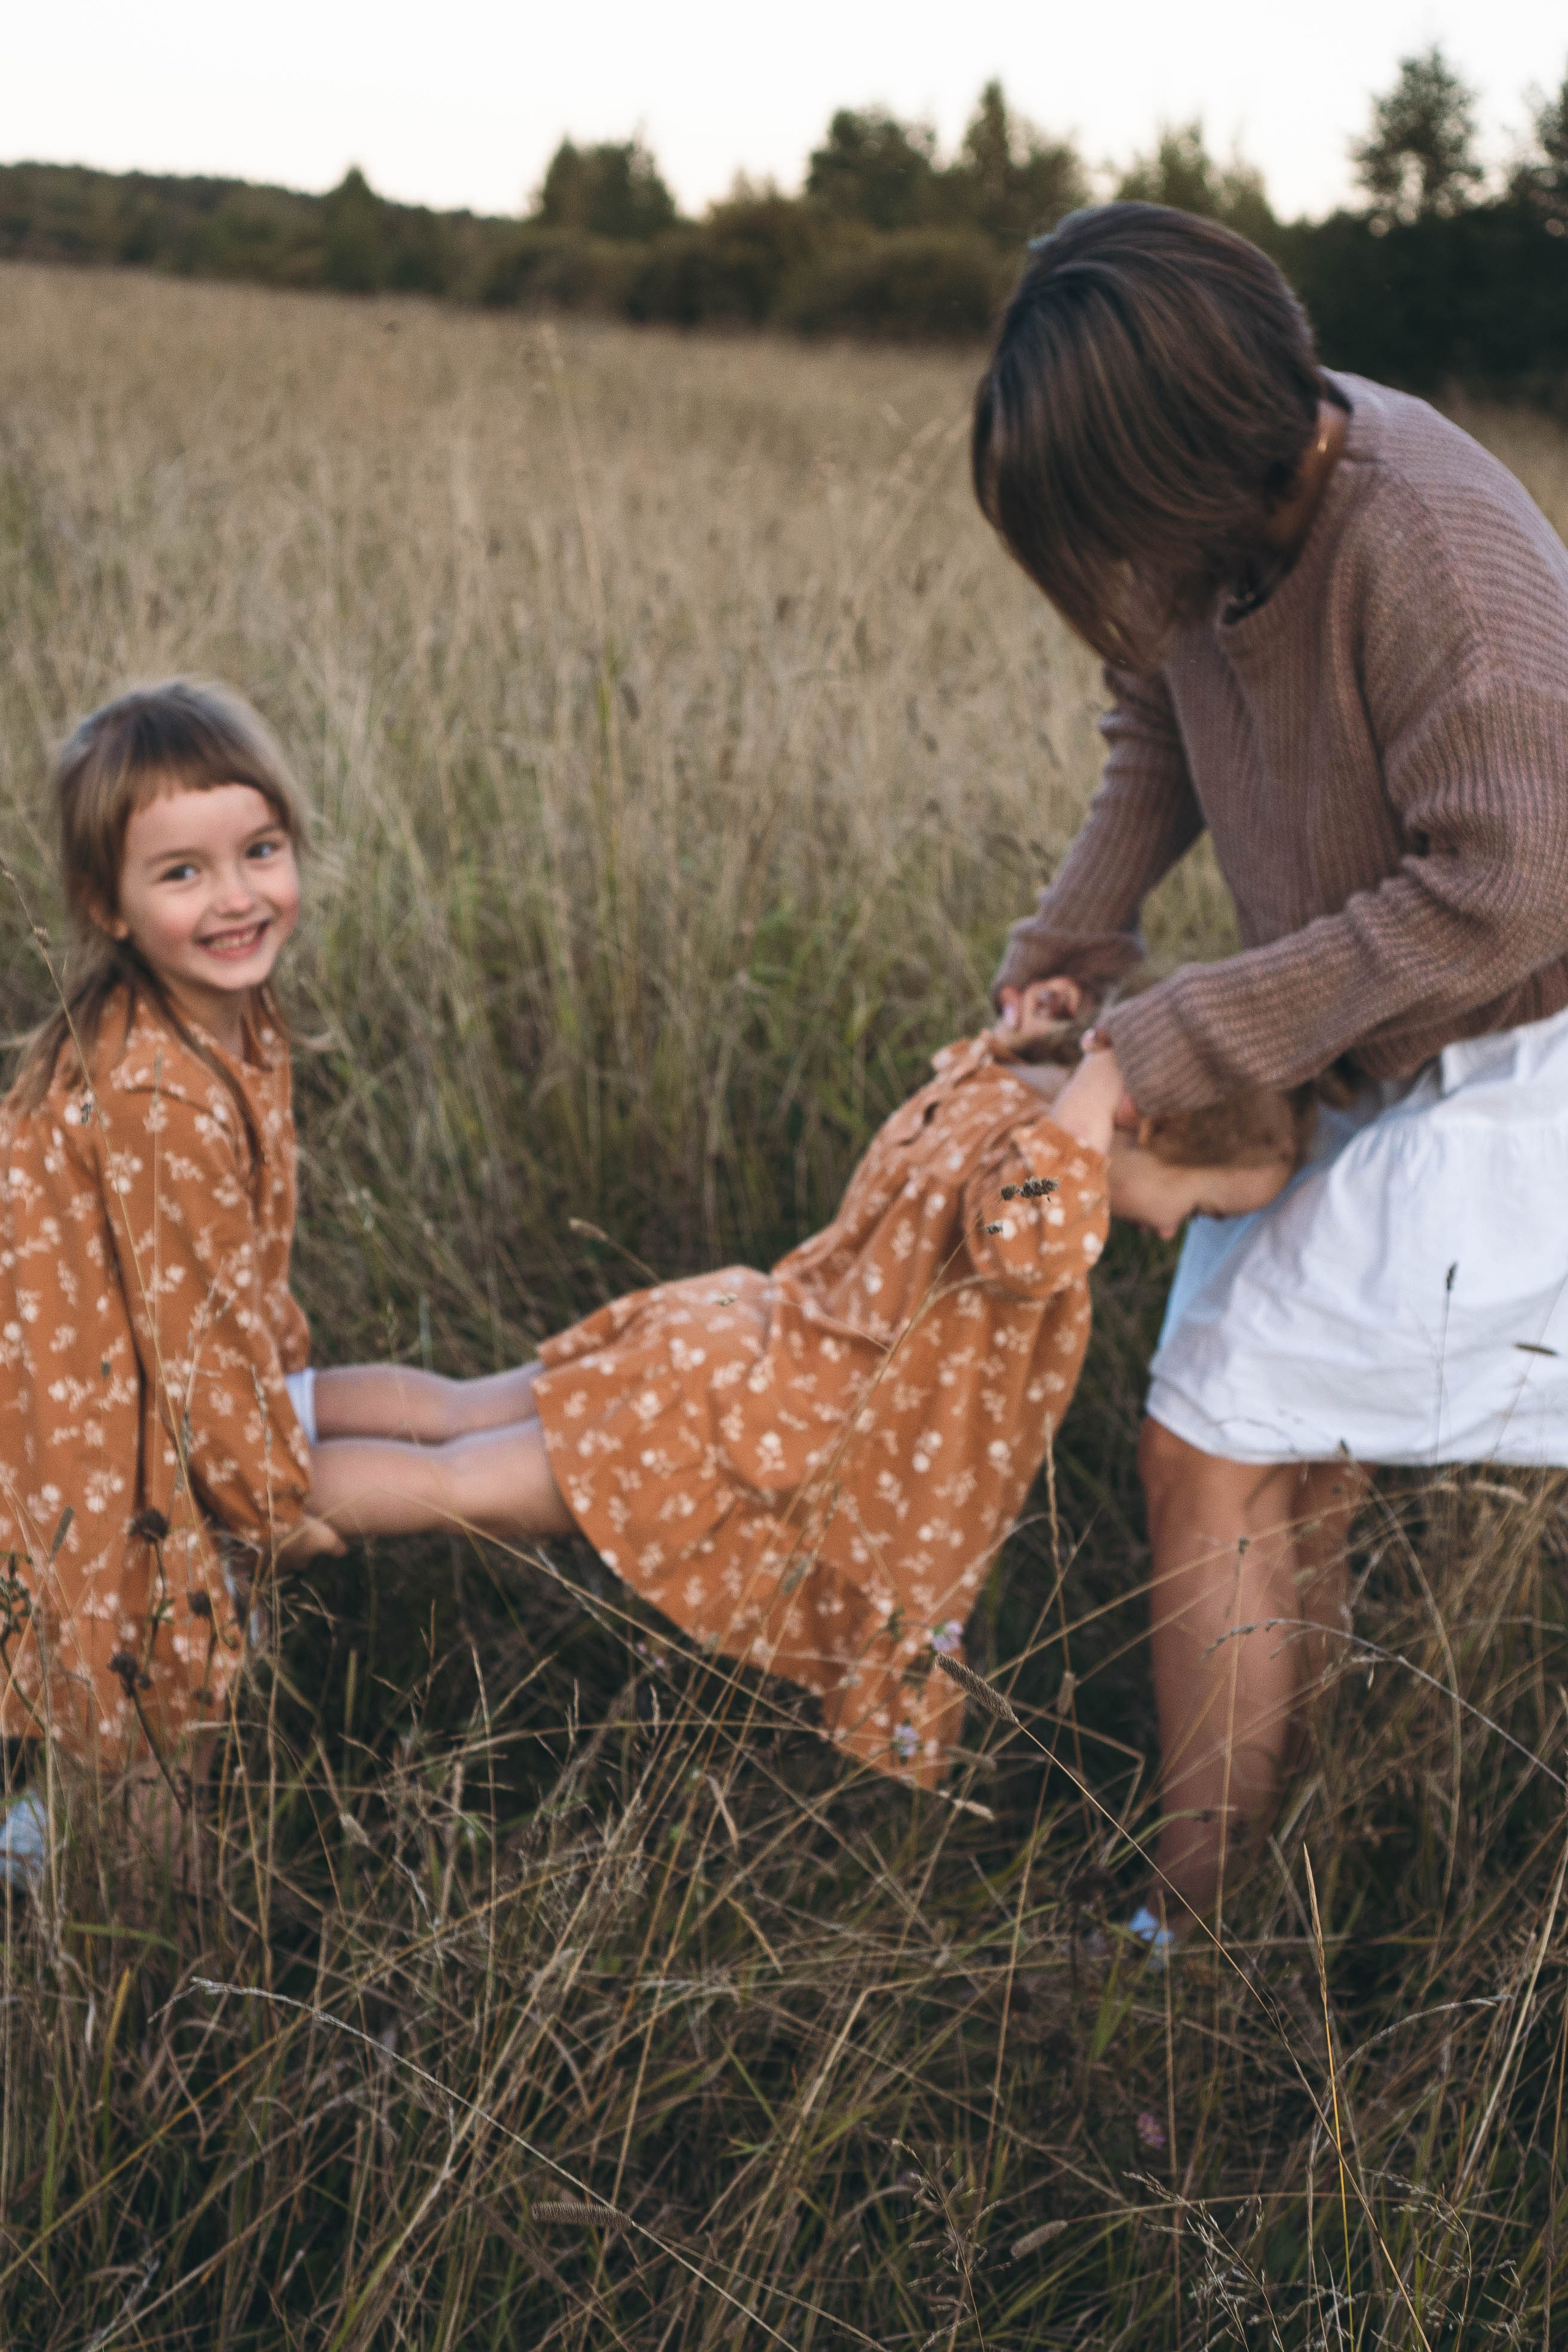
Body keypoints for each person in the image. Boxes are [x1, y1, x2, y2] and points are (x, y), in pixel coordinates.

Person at [971, 202, 1568, 1935]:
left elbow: (1516, 880)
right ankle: (1251, 1882)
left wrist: (1166, 1039)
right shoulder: (1226, 515)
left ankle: (1192, 1921)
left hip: (1525, 1063)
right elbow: (1157, 713)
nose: (1117, 576)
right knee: (1273, 1448)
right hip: (1387, 1037)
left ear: (1193, 455)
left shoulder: (1423, 544)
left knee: (1209, 1442)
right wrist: (1073, 949)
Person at [301, 1005, 1303, 1788]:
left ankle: (262, 1409)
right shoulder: (1045, 1179)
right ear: (1143, 1120)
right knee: (460, 1484)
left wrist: (1091, 1065)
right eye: (1202, 1206)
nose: (1173, 1234)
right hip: (751, 1421)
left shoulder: (987, 1086)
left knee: (456, 1413)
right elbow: (1017, 1230)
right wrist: (1107, 1075)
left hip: (731, 1337)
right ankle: (232, 1496)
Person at [0, 681, 544, 1875]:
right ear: (108, 906)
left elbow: (228, 1281)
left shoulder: (233, 1017)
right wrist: (270, 1510)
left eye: (259, 851)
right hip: (103, 1455)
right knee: (153, 1742)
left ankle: (570, 1398)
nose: (239, 896)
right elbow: (186, 1340)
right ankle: (110, 1950)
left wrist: (273, 1396)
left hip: (164, 1400)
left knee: (424, 1415)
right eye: (183, 873)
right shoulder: (152, 1094)